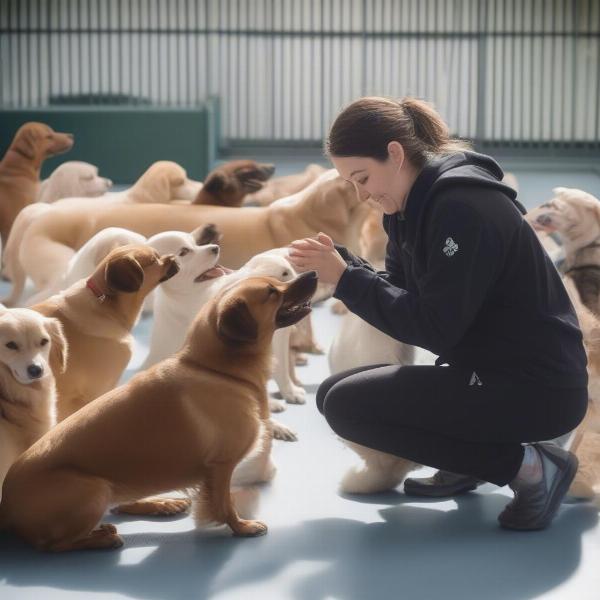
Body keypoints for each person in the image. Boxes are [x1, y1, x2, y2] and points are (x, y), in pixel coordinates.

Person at [287, 96, 588, 531]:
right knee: (332, 392)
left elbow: (434, 328)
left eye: (363, 178)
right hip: (491, 375)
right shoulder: (407, 210)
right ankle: (475, 458)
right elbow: (403, 298)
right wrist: (346, 265)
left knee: (348, 406)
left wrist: (348, 280)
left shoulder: (462, 208)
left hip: (538, 388)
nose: (361, 194)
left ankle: (533, 468)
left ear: (395, 153)